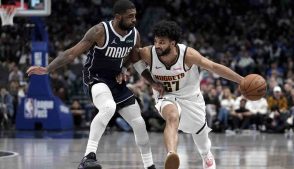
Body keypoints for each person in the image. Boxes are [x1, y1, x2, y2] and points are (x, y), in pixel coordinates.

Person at [26, 0, 156, 169]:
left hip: (115, 81)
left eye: (135, 16)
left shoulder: (134, 34)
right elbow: (72, 53)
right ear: (118, 17)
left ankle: (149, 165)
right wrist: (47, 68)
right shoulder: (100, 31)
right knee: (108, 107)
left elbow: (134, 59)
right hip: (95, 78)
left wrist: (150, 81)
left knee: (139, 123)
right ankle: (88, 157)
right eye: (130, 16)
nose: (134, 20)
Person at [131, 20, 244, 169]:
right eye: (156, 41)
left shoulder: (188, 55)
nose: (157, 45)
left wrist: (241, 80)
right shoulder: (149, 53)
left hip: (191, 98)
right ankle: (171, 154)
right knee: (171, 116)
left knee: (201, 138)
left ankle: (206, 155)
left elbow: (214, 67)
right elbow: (133, 57)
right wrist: (151, 82)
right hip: (166, 95)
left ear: (173, 43)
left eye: (162, 42)